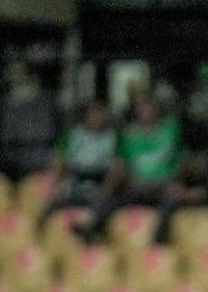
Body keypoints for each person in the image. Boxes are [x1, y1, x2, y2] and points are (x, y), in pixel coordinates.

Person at [73, 94, 181, 244]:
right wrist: (116, 184)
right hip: (137, 186)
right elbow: (121, 165)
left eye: (148, 108)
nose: (145, 113)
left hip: (163, 185)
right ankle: (92, 229)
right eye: (141, 109)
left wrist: (173, 179)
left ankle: (158, 241)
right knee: (110, 200)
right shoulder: (129, 136)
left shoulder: (171, 130)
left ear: (156, 110)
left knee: (170, 201)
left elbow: (184, 159)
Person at [38, 101, 118, 228]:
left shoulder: (111, 138)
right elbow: (59, 158)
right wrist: (57, 182)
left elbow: (116, 166)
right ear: (85, 117)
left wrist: (105, 189)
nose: (95, 119)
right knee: (49, 206)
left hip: (98, 181)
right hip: (74, 179)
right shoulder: (73, 135)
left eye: (99, 116)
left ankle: (88, 233)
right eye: (92, 115)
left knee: (102, 208)